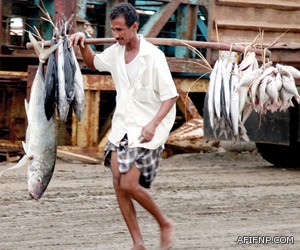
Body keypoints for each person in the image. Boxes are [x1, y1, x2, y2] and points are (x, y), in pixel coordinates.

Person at [69, 3, 178, 250]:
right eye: (113, 30)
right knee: (118, 183)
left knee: (129, 184)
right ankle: (138, 242)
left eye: (120, 30)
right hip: (123, 126)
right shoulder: (116, 52)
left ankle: (165, 223)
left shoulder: (153, 56)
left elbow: (170, 96)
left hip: (148, 127)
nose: (116, 35)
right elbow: (93, 64)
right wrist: (83, 43)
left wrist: (153, 124)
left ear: (134, 27)